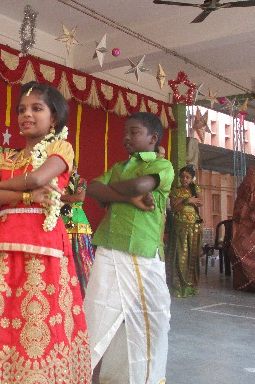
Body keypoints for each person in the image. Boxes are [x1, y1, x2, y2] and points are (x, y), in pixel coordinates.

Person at [0, 81, 91, 383]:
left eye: (37, 108)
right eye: (22, 109)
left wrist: (0, 188)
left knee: (37, 328)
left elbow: (37, 178)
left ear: (54, 117)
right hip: (3, 249)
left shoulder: (60, 149)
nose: (27, 115)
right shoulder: (6, 158)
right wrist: (24, 195)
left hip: (43, 249)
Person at [85, 112, 174, 384]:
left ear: (153, 138)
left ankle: (140, 378)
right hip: (110, 247)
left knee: (153, 319)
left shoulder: (162, 166)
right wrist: (130, 199)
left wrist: (113, 192)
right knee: (96, 316)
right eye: (125, 132)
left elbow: (138, 184)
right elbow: (92, 189)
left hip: (143, 250)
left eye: (133, 132)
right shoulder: (118, 166)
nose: (126, 137)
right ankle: (82, 375)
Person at [166, 165, 203, 298]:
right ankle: (178, 286)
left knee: (193, 256)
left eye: (187, 177)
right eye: (182, 177)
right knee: (179, 255)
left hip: (194, 227)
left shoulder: (195, 189)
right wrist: (188, 200)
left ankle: (190, 286)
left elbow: (200, 202)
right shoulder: (175, 191)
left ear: (192, 178)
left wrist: (184, 201)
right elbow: (174, 208)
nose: (184, 179)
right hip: (180, 226)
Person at [60, 163, 95, 296]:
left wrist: (57, 197)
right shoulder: (55, 181)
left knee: (82, 263)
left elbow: (79, 198)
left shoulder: (80, 181)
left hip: (78, 226)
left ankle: (86, 296)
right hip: (60, 224)